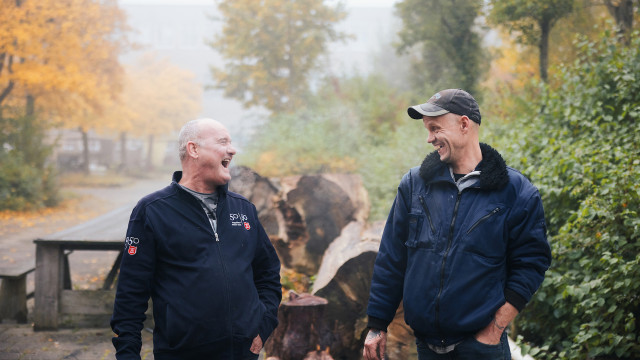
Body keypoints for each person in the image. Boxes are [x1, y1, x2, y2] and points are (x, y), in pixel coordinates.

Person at [362, 89, 552, 360]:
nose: (429, 138)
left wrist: (495, 328)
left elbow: (532, 263)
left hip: (481, 348)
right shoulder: (414, 185)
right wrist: (377, 324)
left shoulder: (516, 192)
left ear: (464, 124)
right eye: (427, 130)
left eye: (435, 128)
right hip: (427, 347)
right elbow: (392, 258)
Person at [111, 118, 282, 360]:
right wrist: (128, 355)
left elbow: (268, 273)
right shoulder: (153, 210)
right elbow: (130, 293)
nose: (232, 150)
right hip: (181, 353)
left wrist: (263, 326)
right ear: (193, 149)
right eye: (223, 142)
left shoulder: (244, 209)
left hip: (242, 353)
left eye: (231, 143)